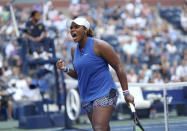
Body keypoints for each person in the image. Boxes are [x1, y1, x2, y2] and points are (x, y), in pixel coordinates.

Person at [56, 17, 134, 131]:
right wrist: (65, 69)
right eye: (71, 28)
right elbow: (79, 75)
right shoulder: (73, 50)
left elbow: (119, 67)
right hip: (87, 97)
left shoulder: (100, 45)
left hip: (106, 92)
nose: (72, 30)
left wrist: (126, 93)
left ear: (85, 30)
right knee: (103, 129)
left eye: (76, 27)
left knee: (98, 129)